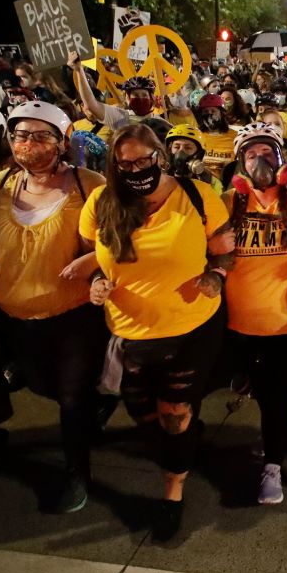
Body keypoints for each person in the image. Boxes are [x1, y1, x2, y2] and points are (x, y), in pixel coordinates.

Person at [79, 124, 234, 541]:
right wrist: (96, 279)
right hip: (129, 332)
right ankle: (178, 449)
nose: (135, 169)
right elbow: (92, 254)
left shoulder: (198, 195)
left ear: (160, 156)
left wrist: (216, 277)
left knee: (174, 415)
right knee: (141, 413)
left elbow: (224, 251)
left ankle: (173, 490)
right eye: (124, 163)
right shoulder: (101, 201)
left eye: (143, 160)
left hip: (190, 327)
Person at [0, 101, 107, 514]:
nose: (28, 145)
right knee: (41, 386)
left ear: (61, 141)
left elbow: (113, 245)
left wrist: (90, 263)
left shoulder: (89, 185)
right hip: (15, 317)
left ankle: (76, 473)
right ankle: (97, 404)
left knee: (71, 400)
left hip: (73, 316)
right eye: (20, 135)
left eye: (39, 136)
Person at [222, 123, 287, 506]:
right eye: (250, 155)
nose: (259, 160)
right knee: (265, 391)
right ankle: (272, 436)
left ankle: (274, 466)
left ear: (283, 161)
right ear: (240, 165)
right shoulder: (226, 203)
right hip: (239, 323)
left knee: (275, 392)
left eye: (267, 153)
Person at [166, 123, 222, 193]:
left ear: (199, 154)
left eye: (188, 148)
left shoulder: (211, 182)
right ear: (170, 150)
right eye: (176, 147)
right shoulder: (160, 178)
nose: (180, 153)